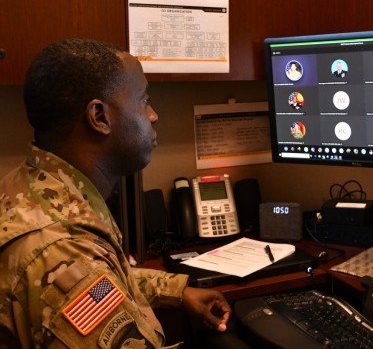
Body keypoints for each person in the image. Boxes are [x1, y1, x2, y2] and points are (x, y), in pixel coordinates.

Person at [0, 39, 233, 348]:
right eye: (143, 99)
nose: (152, 115)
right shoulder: (59, 245)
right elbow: (73, 278)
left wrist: (175, 290)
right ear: (99, 117)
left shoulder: (31, 187)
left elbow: (87, 280)